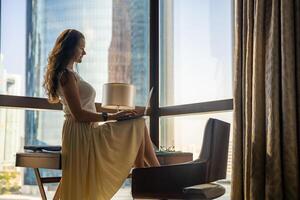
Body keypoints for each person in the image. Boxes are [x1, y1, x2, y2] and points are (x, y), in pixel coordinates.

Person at [43, 29, 160, 200]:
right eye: (81, 48)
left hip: (86, 129)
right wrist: (112, 117)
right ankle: (155, 176)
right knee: (138, 124)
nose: (85, 52)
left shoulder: (72, 74)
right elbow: (79, 115)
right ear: (70, 48)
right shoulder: (66, 76)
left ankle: (151, 175)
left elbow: (86, 109)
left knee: (138, 124)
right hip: (81, 133)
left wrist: (116, 114)